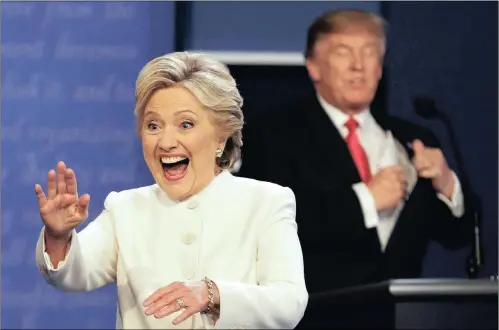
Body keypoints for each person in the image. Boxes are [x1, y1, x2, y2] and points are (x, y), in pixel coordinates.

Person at [34, 52, 308, 329]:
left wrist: (211, 293)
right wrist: (59, 237)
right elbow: (74, 275)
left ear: (221, 137)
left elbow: (289, 302)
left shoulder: (265, 202)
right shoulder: (126, 208)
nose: (166, 142)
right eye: (153, 125)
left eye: (185, 125)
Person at [237, 9, 473, 294]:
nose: (357, 66)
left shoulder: (414, 139)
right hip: (319, 313)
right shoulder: (273, 134)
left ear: (380, 67)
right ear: (314, 67)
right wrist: (366, 201)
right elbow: (270, 228)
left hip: (404, 317)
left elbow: (456, 236)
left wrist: (446, 183)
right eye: (343, 52)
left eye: (369, 52)